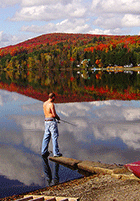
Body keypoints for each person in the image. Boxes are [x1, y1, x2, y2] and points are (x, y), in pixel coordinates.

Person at [41, 92, 62, 157]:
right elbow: (53, 114)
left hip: (46, 121)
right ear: (53, 97)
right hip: (51, 122)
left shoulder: (44, 103)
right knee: (54, 137)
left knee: (46, 137)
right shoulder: (51, 104)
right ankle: (56, 153)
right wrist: (58, 118)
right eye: (54, 97)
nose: (55, 99)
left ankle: (43, 151)